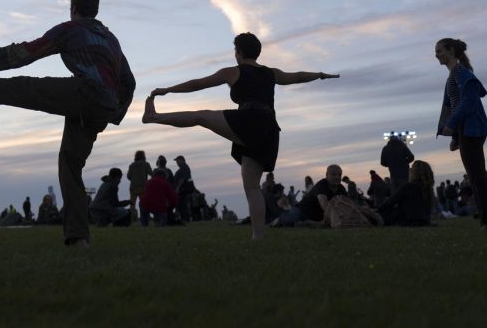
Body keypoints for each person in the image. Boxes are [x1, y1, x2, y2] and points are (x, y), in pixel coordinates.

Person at [0, 0, 136, 247]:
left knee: (22, 88)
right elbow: (128, 82)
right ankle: (78, 238)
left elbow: (27, 52)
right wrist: (113, 112)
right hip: (104, 106)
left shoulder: (71, 29)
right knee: (70, 166)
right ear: (95, 11)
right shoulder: (112, 40)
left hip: (87, 94)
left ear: (74, 9)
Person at [143, 32, 338, 240]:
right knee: (252, 187)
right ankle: (258, 237)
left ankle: (154, 117)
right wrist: (319, 74)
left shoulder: (233, 71)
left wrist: (167, 90)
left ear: (239, 52)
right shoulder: (271, 73)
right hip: (269, 130)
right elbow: (297, 76)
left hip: (250, 120)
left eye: (235, 50)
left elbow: (198, 84)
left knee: (202, 116)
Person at [434, 38, 487, 228]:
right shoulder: (455, 74)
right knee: (475, 176)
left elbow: (469, 102)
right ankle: (486, 220)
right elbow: (455, 105)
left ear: (451, 51)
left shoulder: (460, 72)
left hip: (472, 129)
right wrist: (455, 136)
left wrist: (451, 125)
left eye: (439, 51)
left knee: (477, 178)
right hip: (465, 130)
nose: (436, 55)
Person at [273, 165, 347, 227]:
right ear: (327, 175)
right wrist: (337, 218)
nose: (337, 177)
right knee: (290, 219)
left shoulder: (341, 189)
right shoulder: (322, 184)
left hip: (317, 217)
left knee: (322, 224)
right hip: (302, 211)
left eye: (339, 175)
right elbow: (324, 204)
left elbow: (347, 205)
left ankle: (305, 224)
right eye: (333, 174)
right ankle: (279, 219)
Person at [376, 160, 434, 226]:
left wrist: (377, 210)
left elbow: (390, 202)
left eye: (412, 168)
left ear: (414, 172)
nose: (410, 170)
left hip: (405, 220)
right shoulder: (428, 190)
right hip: (423, 221)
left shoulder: (409, 186)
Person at [127, 150, 152, 223]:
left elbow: (128, 176)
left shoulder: (132, 165)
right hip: (143, 187)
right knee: (143, 204)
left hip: (133, 188)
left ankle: (131, 220)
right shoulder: (146, 164)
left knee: (132, 205)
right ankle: (143, 219)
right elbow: (151, 173)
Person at [172, 155, 194, 223]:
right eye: (176, 161)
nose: (177, 163)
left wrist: (178, 188)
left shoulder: (184, 168)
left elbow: (182, 179)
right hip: (182, 190)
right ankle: (182, 219)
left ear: (182, 160)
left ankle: (185, 219)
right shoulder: (183, 168)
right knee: (180, 204)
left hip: (182, 190)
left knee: (182, 204)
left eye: (178, 161)